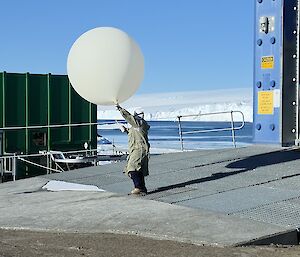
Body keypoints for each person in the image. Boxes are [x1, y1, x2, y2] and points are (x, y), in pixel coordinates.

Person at [116, 104, 150, 195]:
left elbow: (128, 117)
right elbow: (136, 135)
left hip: (139, 149)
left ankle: (138, 187)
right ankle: (142, 188)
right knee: (139, 169)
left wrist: (120, 109)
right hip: (138, 149)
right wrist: (126, 130)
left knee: (132, 168)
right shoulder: (139, 125)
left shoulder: (138, 123)